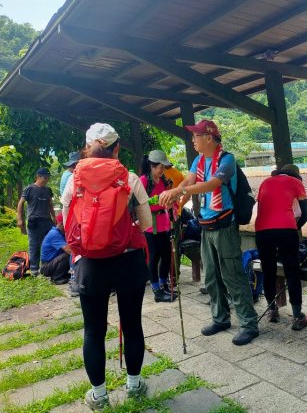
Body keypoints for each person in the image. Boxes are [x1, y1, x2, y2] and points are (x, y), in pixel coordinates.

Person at [61, 123, 152, 410]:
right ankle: (134, 385)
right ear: (116, 148)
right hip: (128, 261)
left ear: (87, 148)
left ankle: (99, 396)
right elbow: (147, 223)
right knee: (132, 324)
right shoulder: (131, 178)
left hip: (91, 264)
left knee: (93, 330)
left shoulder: (73, 180)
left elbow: (67, 224)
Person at [159, 119, 259, 346]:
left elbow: (212, 184)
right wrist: (177, 201)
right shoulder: (198, 160)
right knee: (212, 277)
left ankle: (249, 324)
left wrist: (179, 190)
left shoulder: (227, 159)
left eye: (196, 135)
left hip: (224, 226)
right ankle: (220, 318)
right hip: (206, 225)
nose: (193, 139)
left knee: (232, 275)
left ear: (209, 138)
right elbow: (189, 181)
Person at [255, 163, 307, 330]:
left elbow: (261, 209)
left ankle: (272, 309)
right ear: (295, 175)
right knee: (292, 271)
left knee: (268, 269)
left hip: (262, 230)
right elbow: (306, 212)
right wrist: (295, 225)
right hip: (286, 229)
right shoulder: (296, 183)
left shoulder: (265, 182)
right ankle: (297, 316)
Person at [140, 150, 175, 303]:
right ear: (151, 166)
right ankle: (156, 290)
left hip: (164, 222)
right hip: (150, 224)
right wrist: (153, 200)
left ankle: (164, 285)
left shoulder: (163, 180)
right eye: (159, 166)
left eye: (163, 167)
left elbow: (168, 199)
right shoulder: (143, 180)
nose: (162, 170)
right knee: (154, 257)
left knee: (167, 255)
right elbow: (139, 203)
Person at [16, 167, 56, 275]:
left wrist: (54, 218)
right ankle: (34, 268)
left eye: (48, 178)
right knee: (34, 244)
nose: (46, 180)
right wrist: (20, 219)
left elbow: (50, 205)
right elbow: (20, 203)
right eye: (45, 178)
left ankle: (47, 266)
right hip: (34, 221)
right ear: (38, 177)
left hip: (47, 221)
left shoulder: (48, 190)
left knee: (49, 242)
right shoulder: (29, 189)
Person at [40, 213, 71, 285]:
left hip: (52, 263)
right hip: (46, 267)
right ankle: (56, 278)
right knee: (68, 255)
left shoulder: (61, 233)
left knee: (69, 255)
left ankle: (62, 274)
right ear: (60, 224)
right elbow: (69, 250)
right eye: (66, 225)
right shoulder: (54, 234)